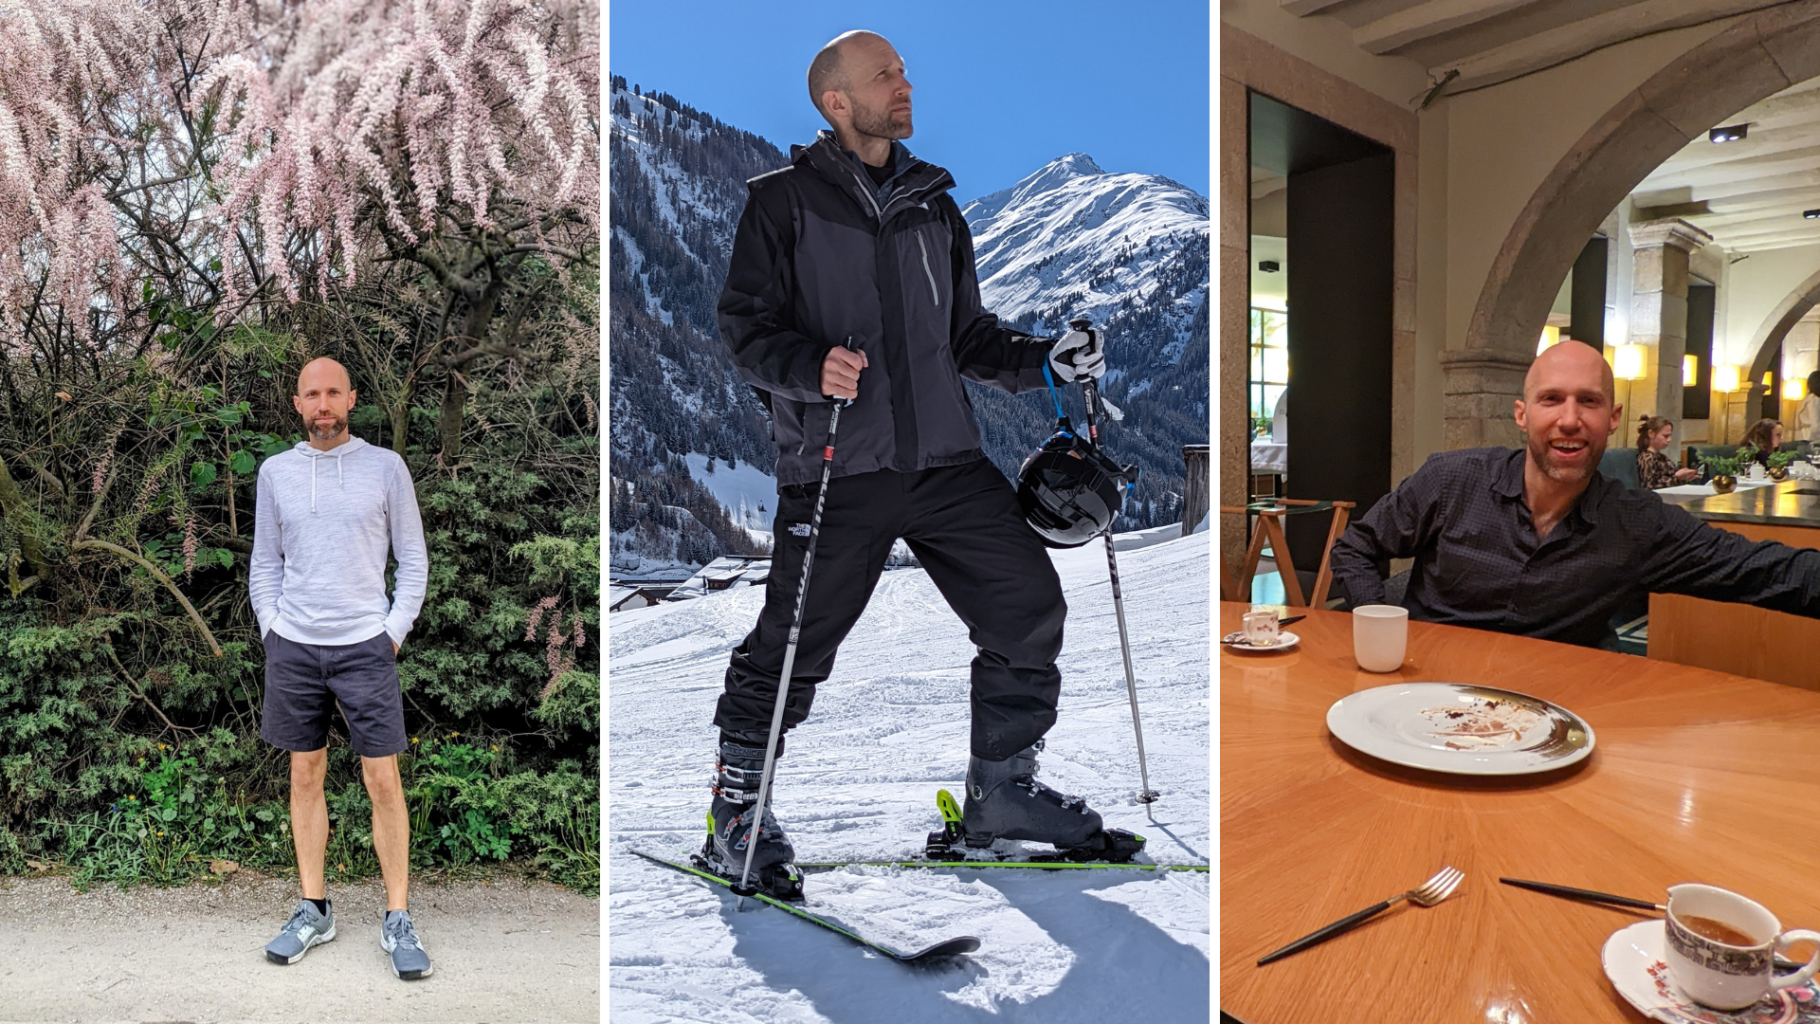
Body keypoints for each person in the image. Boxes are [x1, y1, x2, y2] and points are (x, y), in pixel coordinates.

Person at [707, 29, 1119, 896]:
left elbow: (965, 337)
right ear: (837, 101)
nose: (904, 83)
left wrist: (1047, 357)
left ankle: (1002, 795)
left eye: (901, 70)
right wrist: (808, 366)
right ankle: (738, 811)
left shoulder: (936, 207)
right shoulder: (781, 203)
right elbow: (744, 332)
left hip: (946, 464)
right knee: (791, 647)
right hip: (836, 466)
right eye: (884, 74)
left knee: (1027, 606)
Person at [1329, 340, 1820, 649]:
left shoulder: (1638, 524)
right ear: (1522, 415)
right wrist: (1383, 627)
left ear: (1613, 417)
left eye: (1588, 401)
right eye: (1551, 399)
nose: (1569, 419)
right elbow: (1357, 546)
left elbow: (1768, 572)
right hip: (1431, 691)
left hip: (1559, 709)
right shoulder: (1450, 479)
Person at [249, 357, 433, 979]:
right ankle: (314, 908)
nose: (323, 404)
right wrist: (272, 632)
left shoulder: (385, 468)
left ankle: (398, 916)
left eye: (333, 392)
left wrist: (391, 634)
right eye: (311, 394)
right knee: (305, 776)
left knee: (383, 780)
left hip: (365, 645)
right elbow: (265, 564)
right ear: (297, 403)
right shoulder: (275, 473)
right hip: (294, 646)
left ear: (351, 399)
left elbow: (413, 559)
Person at [1636, 415, 1698, 489]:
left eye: (1670, 436)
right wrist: (1677, 477)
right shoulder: (1646, 458)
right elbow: (1649, 486)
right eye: (1665, 436)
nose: (1669, 439)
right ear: (1651, 434)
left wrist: (1685, 477)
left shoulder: (1662, 457)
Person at [1797, 372, 1820, 444]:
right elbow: (1815, 426)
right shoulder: (1814, 400)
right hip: (1810, 438)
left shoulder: (1807, 398)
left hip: (1804, 436)